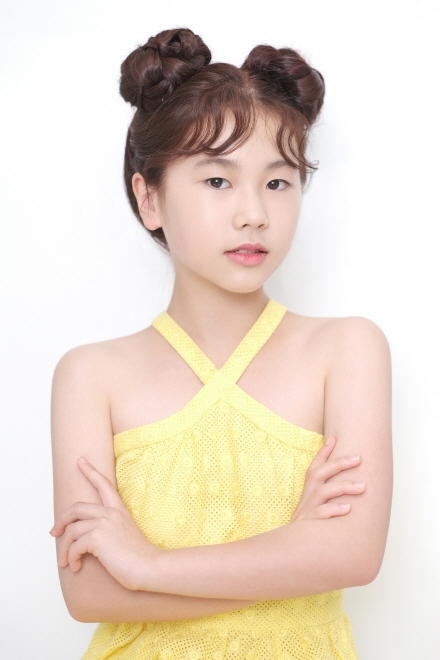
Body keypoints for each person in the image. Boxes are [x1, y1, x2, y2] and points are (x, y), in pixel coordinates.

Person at [50, 27, 392, 660]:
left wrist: (147, 566)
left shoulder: (347, 350)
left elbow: (352, 553)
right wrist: (293, 553)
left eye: (278, 182)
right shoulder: (90, 375)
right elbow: (89, 590)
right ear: (149, 199)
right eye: (217, 181)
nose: (253, 213)